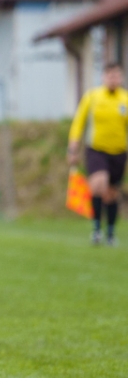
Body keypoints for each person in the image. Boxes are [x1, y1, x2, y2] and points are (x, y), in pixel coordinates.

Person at [67, 62, 128, 246]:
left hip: (118, 151)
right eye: (110, 75)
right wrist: (72, 149)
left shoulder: (125, 99)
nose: (113, 79)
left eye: (116, 75)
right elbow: (78, 123)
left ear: (121, 78)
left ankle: (109, 233)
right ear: (103, 77)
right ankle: (96, 230)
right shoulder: (93, 97)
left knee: (111, 193)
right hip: (96, 149)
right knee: (98, 184)